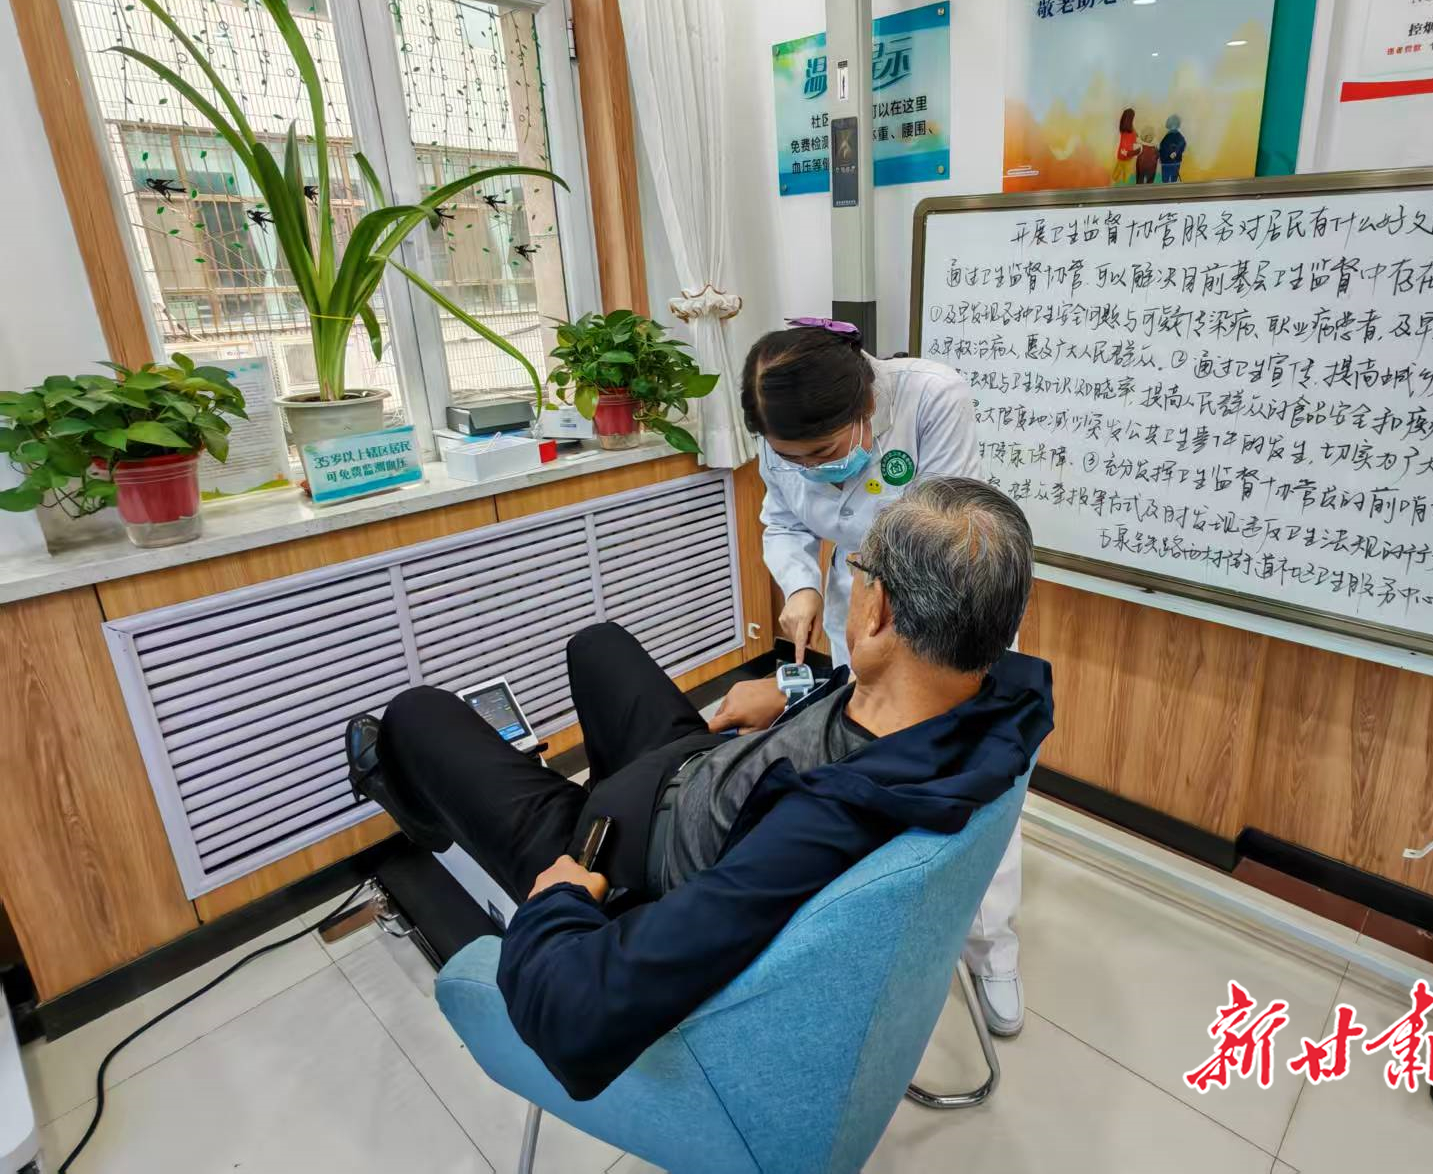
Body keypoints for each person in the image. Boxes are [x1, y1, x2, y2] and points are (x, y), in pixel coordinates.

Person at [347, 479, 1053, 1101]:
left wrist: (559, 902)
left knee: (414, 714)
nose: (853, 582)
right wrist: (798, 691)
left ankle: (420, 813)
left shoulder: (815, 833)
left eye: (857, 570)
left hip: (615, 860)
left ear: (878, 615)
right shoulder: (994, 701)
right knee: (596, 643)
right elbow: (877, 693)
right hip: (710, 770)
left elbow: (578, 1015)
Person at [716, 318, 1030, 1037]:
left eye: (823, 453)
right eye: (790, 457)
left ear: (864, 407)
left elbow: (948, 535)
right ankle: (873, 930)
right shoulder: (783, 433)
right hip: (859, 617)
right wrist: (800, 587)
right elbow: (783, 521)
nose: (809, 468)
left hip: (949, 621)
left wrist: (895, 640)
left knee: (970, 785)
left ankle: (991, 947)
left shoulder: (931, 397)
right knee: (864, 775)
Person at [1111, 107, 1137, 184]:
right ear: (1131, 119)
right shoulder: (1130, 132)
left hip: (1122, 155)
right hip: (1127, 156)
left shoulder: (1123, 129)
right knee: (1125, 177)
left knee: (1116, 175)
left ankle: (1116, 183)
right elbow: (1127, 145)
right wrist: (1129, 153)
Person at [1158, 112, 1187, 183]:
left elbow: (1182, 145)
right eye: (1172, 125)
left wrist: (1175, 152)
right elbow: (1182, 145)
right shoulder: (1176, 136)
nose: (1173, 127)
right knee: (1170, 180)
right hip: (1170, 162)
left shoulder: (1171, 136)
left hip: (1169, 163)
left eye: (1175, 125)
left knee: (1167, 180)